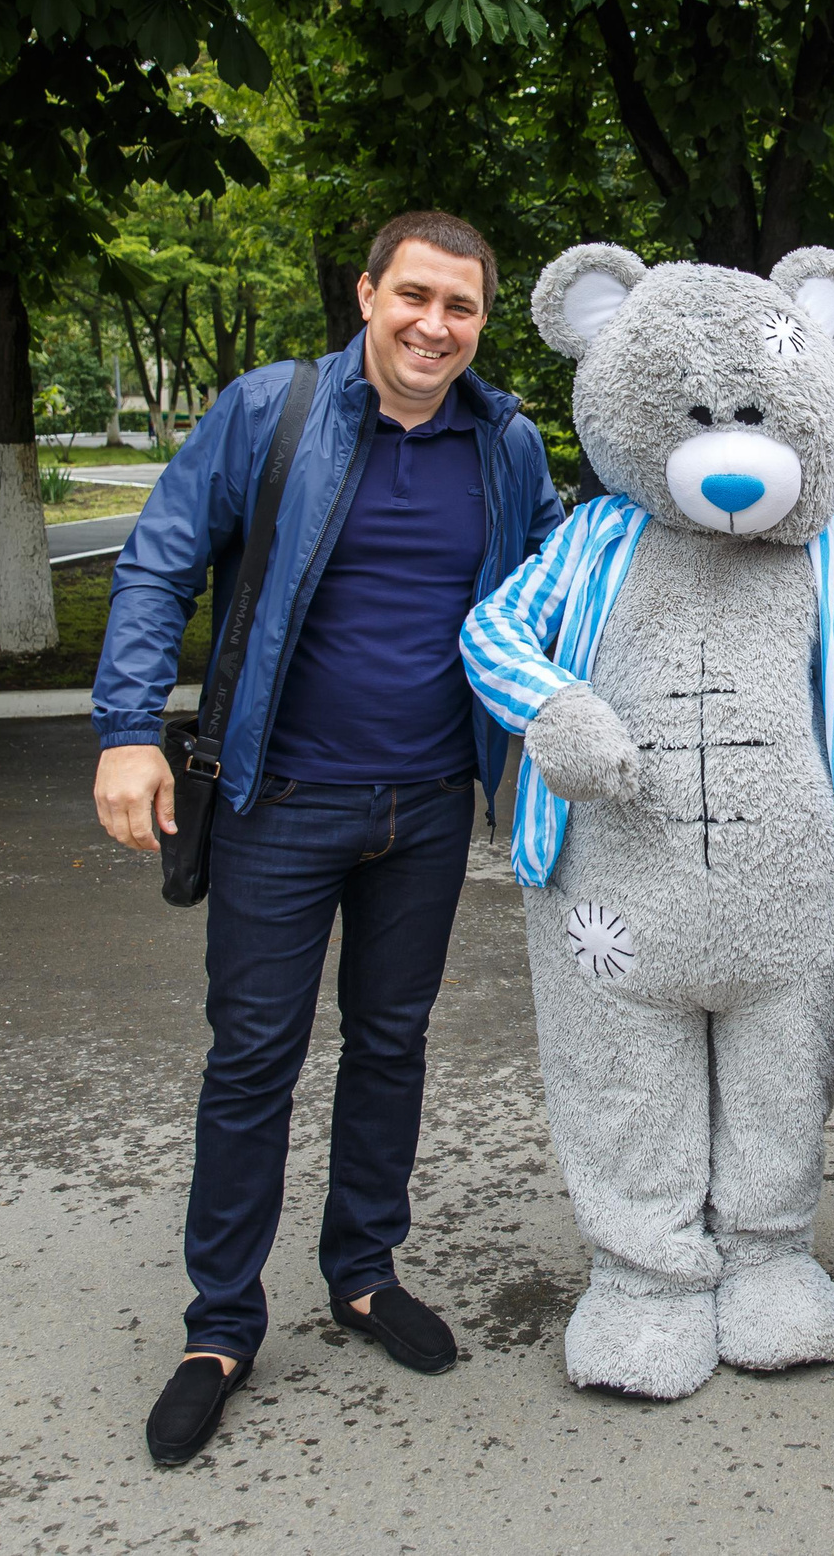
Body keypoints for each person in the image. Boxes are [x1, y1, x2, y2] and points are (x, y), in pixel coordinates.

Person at [90, 211, 565, 1467]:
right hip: (276, 801)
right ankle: (219, 1326)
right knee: (253, 1060)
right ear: (366, 294)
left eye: (460, 308)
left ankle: (362, 1271)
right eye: (413, 295)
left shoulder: (506, 443)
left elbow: (567, 591)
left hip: (425, 810)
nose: (434, 325)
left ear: (481, 322)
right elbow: (156, 567)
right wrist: (127, 728)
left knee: (392, 1044)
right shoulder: (273, 411)